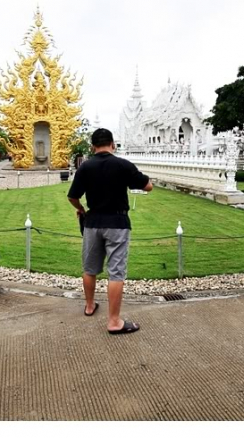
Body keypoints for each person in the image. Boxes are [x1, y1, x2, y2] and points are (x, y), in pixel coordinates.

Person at [67, 128, 153, 334]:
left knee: (90, 268)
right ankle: (114, 321)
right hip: (117, 222)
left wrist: (81, 209)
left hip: (93, 221)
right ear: (113, 144)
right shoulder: (123, 165)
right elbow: (148, 186)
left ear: (92, 146)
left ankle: (89, 306)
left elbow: (72, 196)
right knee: (116, 273)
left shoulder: (85, 167)